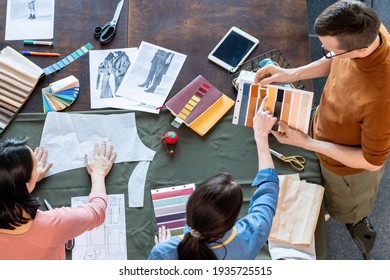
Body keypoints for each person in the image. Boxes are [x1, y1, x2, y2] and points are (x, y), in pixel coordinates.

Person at [254, 0, 390, 259]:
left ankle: (347, 216)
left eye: (327, 49)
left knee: (344, 208)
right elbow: (335, 61)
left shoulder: (382, 98)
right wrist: (289, 74)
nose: (323, 51)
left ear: (358, 50)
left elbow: (371, 162)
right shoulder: (368, 27)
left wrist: (307, 143)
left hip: (347, 172)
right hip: (326, 130)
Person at [148, 97, 280, 260]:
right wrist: (261, 135)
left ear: (189, 209)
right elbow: (268, 191)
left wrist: (163, 248)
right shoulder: (252, 234)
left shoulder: (164, 252)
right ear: (231, 220)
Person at [0, 139, 116, 260]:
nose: (37, 165)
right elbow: (97, 211)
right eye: (35, 165)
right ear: (26, 184)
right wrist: (98, 173)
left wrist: (22, 184)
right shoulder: (52, 226)